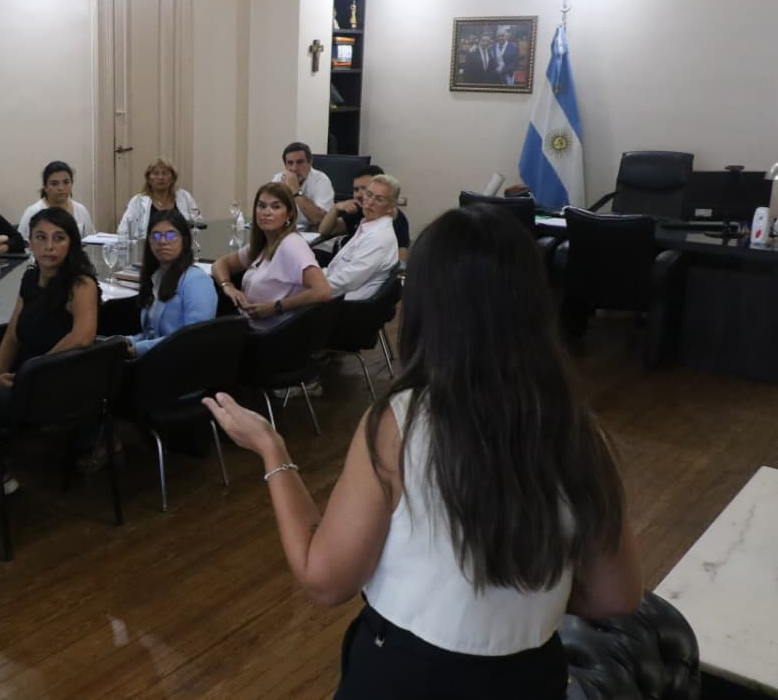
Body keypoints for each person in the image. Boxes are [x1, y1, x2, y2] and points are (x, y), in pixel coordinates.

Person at [203, 204, 642, 699]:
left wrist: (271, 449)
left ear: (428, 305)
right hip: (531, 675)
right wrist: (525, 601)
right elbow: (617, 594)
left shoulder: (400, 423)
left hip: (410, 675)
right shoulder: (582, 433)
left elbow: (325, 580)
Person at [0, 206, 100, 502]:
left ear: (71, 243)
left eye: (59, 238)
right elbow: (13, 333)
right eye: (41, 237)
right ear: (30, 242)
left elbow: (83, 336)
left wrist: (32, 370)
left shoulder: (81, 283)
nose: (49, 246)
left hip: (54, 375)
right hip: (27, 362)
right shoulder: (31, 278)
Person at [210, 182, 331, 330]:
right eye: (261, 206)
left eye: (276, 207)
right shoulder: (264, 244)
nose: (266, 212)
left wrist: (276, 306)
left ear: (289, 214)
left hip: (270, 334)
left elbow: (323, 291)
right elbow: (220, 264)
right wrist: (227, 286)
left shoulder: (291, 244)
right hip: (246, 323)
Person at [127, 210, 217, 357]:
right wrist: (128, 341)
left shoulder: (196, 281)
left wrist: (139, 349)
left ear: (184, 240)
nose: (162, 241)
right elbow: (151, 334)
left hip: (179, 362)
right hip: (155, 358)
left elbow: (194, 337)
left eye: (171, 235)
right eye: (156, 236)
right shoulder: (155, 277)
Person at [324, 173, 401, 301]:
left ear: (391, 207)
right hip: (335, 290)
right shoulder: (368, 224)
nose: (370, 202)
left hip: (343, 304)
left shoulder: (379, 238)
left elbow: (345, 282)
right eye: (369, 194)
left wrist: (310, 286)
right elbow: (337, 269)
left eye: (379, 199)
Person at [315, 164, 411, 261]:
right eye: (356, 190)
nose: (358, 195)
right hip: (341, 257)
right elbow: (324, 231)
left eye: (364, 189)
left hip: (355, 264)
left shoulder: (396, 219)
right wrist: (335, 208)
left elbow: (401, 261)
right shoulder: (360, 209)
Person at [115, 157, 200, 238]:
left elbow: (199, 224)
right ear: (148, 179)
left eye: (165, 173)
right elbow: (123, 231)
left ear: (172, 179)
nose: (160, 177)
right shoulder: (138, 201)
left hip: (180, 245)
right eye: (155, 174)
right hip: (148, 246)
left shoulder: (184, 197)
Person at [17, 161, 96, 240]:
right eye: (54, 183)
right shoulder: (33, 211)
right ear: (45, 187)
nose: (61, 188)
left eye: (66, 182)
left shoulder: (81, 210)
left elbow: (92, 242)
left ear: (72, 183)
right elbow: (21, 244)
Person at [271, 142, 335, 229]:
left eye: (299, 162)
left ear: (310, 162)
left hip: (313, 232)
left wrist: (296, 191)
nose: (294, 168)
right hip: (285, 230)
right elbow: (270, 212)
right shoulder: (278, 179)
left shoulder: (321, 180)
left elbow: (320, 219)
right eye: (290, 163)